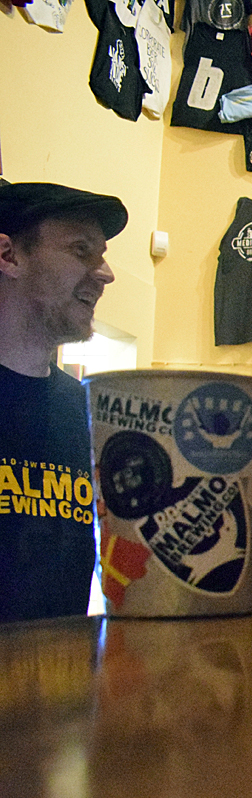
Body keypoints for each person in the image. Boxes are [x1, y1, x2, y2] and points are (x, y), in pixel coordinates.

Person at [0, 181, 126, 622]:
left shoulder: (89, 412)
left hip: (67, 664)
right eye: (80, 250)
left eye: (102, 254)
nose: (105, 273)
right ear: (8, 256)